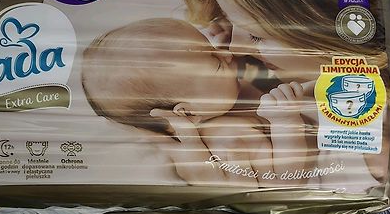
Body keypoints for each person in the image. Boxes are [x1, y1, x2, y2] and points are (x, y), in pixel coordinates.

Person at [164, 0, 390, 187]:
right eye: (227, 17)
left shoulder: (367, 139)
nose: (233, 48)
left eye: (256, 36)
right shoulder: (255, 78)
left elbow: (296, 182)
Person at [81, 17, 311, 186]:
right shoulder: (227, 139)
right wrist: (286, 123)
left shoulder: (221, 105)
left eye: (209, 45)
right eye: (217, 62)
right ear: (186, 113)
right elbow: (283, 180)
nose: (227, 53)